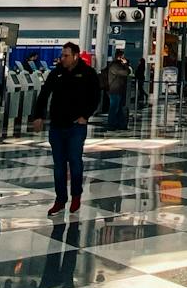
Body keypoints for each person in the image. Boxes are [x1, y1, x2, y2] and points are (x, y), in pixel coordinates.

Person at [36, 41, 100, 214]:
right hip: (57, 125)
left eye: (66, 55)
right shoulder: (57, 73)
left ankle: (76, 196)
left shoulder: (87, 73)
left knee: (75, 160)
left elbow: (95, 97)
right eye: (62, 55)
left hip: (75, 127)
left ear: (75, 56)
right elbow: (44, 93)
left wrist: (85, 116)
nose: (62, 58)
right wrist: (38, 115)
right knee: (59, 165)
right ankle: (60, 199)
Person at [103, 50, 133, 130]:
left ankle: (119, 124)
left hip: (118, 90)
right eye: (123, 57)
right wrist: (126, 64)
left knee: (119, 108)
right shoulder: (115, 66)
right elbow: (126, 72)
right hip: (114, 90)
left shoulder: (117, 65)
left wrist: (125, 64)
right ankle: (111, 124)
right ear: (119, 57)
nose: (124, 58)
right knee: (114, 108)